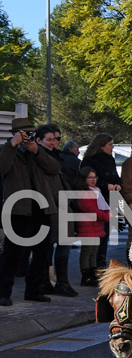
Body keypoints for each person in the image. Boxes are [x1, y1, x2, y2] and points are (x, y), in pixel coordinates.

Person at [0, 118, 60, 306]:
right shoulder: (7, 150)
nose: (28, 137)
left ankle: (33, 290)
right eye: (24, 133)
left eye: (30, 133)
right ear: (15, 134)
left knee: (42, 253)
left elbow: (54, 168)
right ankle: (3, 292)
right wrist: (12, 145)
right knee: (12, 254)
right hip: (18, 210)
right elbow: (2, 169)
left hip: (41, 208)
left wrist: (36, 151)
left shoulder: (37, 150)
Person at [35, 125, 78, 297]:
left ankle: (59, 282)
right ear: (39, 141)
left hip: (61, 204)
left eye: (57, 139)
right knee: (54, 245)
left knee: (60, 244)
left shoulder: (55, 156)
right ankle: (55, 282)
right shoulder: (40, 156)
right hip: (52, 206)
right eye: (51, 139)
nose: (55, 142)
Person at [80, 133, 122, 268]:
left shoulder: (110, 159)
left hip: (109, 200)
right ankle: (92, 267)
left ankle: (101, 264)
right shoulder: (90, 160)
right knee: (95, 237)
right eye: (110, 144)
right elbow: (86, 179)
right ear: (102, 146)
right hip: (95, 200)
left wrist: (118, 183)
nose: (113, 147)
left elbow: (115, 175)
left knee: (104, 235)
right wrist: (105, 185)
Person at [73, 167, 110, 286]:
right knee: (87, 251)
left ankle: (92, 274)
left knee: (94, 251)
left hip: (96, 225)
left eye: (94, 177)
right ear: (83, 178)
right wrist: (107, 216)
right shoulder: (83, 192)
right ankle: (86, 277)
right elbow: (91, 209)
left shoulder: (96, 190)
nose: (93, 180)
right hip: (87, 225)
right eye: (90, 177)